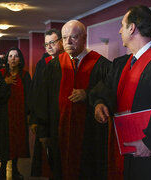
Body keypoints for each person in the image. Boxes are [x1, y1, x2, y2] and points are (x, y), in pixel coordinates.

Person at [36, 20, 111, 180]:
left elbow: (110, 94)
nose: (68, 42)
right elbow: (43, 100)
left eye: (73, 37)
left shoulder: (102, 65)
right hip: (58, 133)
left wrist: (88, 94)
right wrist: (43, 131)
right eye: (64, 38)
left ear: (84, 37)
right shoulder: (53, 66)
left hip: (90, 136)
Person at [89, 5, 151, 180]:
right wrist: (99, 103)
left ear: (132, 28)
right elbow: (105, 89)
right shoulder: (120, 64)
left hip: (148, 153)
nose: (119, 31)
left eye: (122, 25)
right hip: (122, 147)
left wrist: (150, 142)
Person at [0, 47, 31, 180]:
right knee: (3, 141)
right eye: (11, 56)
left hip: (19, 115)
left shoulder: (25, 76)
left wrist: (30, 114)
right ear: (6, 59)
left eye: (16, 56)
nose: (13, 59)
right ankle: (2, 168)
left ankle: (15, 169)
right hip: (3, 115)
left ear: (20, 60)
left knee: (17, 141)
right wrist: (4, 83)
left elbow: (30, 96)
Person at [29, 28, 63, 178]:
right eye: (46, 44)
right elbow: (36, 92)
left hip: (62, 116)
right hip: (45, 117)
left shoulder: (68, 61)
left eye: (52, 42)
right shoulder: (42, 64)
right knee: (49, 160)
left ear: (61, 42)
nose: (49, 47)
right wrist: (35, 119)